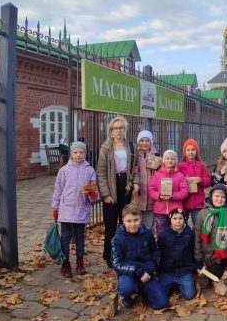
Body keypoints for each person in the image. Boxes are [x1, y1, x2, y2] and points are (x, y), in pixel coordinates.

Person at [97, 116, 140, 268]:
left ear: (125, 129)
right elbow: (101, 172)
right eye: (116, 128)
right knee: (110, 226)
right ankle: (110, 256)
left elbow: (135, 168)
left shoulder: (131, 146)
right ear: (111, 131)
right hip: (111, 186)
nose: (119, 131)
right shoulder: (106, 147)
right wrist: (106, 194)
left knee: (126, 223)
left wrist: (135, 182)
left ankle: (125, 254)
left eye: (121, 128)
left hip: (125, 187)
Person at [51, 141, 99, 278]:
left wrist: (92, 194)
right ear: (71, 154)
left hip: (81, 209)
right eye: (75, 152)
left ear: (85, 154)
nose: (78, 155)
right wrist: (55, 207)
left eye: (81, 152)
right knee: (65, 238)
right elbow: (58, 189)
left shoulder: (89, 170)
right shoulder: (64, 170)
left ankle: (80, 262)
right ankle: (65, 263)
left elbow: (94, 190)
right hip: (66, 209)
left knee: (79, 237)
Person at [111, 204, 169, 310]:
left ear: (140, 218)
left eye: (136, 220)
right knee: (126, 287)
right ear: (123, 220)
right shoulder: (117, 239)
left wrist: (152, 267)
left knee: (162, 303)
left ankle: (142, 291)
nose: (133, 224)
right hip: (129, 273)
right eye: (129, 221)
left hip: (147, 272)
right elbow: (116, 263)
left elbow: (156, 252)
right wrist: (138, 272)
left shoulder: (147, 233)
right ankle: (126, 296)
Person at [157, 208, 197, 300]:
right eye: (174, 219)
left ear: (185, 219)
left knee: (189, 295)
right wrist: (158, 269)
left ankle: (182, 284)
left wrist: (195, 267)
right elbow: (159, 253)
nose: (178, 221)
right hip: (167, 271)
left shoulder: (190, 234)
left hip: (185, 271)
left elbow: (194, 251)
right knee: (161, 295)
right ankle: (172, 285)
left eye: (180, 218)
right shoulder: (163, 235)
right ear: (170, 220)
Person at [149, 150, 189, 236]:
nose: (170, 160)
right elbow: (151, 190)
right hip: (160, 210)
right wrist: (159, 196)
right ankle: (162, 248)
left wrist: (173, 196)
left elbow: (185, 191)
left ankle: (175, 249)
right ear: (163, 160)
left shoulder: (180, 175)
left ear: (176, 161)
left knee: (175, 231)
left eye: (172, 159)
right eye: (167, 158)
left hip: (175, 209)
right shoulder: (157, 175)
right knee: (161, 231)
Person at [178, 139, 211, 227]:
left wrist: (201, 180)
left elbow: (208, 181)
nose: (190, 152)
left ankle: (196, 240)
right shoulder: (180, 166)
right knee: (182, 225)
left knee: (197, 225)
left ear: (196, 151)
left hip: (198, 202)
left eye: (193, 149)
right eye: (188, 150)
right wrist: (183, 181)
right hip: (184, 201)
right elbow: (176, 181)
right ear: (184, 152)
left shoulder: (202, 165)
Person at [135, 130, 161, 230]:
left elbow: (161, 175)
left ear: (151, 142)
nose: (144, 143)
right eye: (142, 140)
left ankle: (149, 243)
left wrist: (160, 165)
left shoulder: (157, 156)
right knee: (137, 224)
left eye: (147, 140)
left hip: (151, 196)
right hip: (138, 195)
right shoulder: (135, 156)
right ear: (138, 142)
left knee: (150, 225)